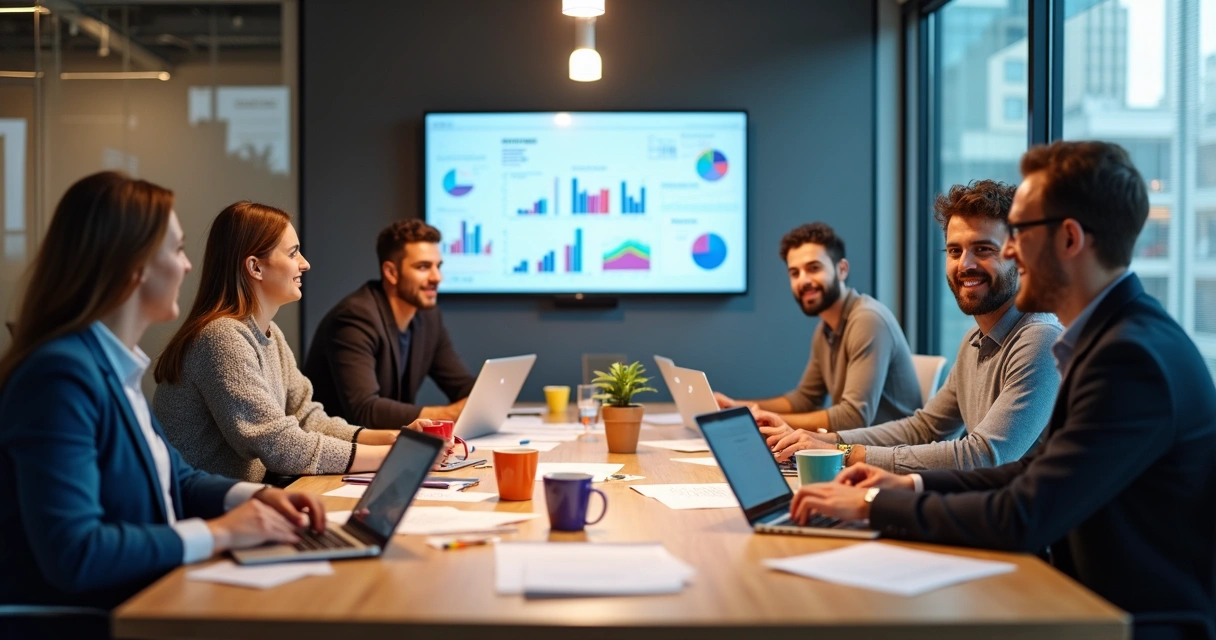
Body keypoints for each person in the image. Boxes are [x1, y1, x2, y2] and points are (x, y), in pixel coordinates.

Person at [792, 141, 1216, 637]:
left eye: (1018, 235)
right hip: (1083, 599)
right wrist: (907, 484)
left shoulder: (1128, 357)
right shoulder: (1112, 337)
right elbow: (1033, 470)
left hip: (1125, 622)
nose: (1011, 251)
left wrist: (872, 503)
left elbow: (1024, 513)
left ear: (1070, 239)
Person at [0, 173, 326, 618]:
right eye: (176, 249)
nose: (188, 265)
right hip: (103, 616)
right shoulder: (59, 377)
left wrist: (255, 499)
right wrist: (221, 534)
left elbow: (177, 478)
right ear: (133, 266)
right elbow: (75, 552)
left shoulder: (114, 365)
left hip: (151, 593)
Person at [761, 181, 1062, 473]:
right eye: (954, 251)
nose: (964, 265)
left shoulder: (1040, 339)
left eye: (983, 249)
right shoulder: (975, 340)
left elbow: (984, 455)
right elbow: (926, 427)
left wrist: (847, 453)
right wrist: (825, 441)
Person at [153, 202, 426, 484]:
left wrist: (396, 438)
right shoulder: (222, 338)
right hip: (204, 514)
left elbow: (307, 418)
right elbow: (280, 447)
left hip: (239, 506)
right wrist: (395, 456)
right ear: (255, 267)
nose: (305, 264)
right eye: (293, 253)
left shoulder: (271, 334)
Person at [715, 222, 921, 432]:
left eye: (813, 268)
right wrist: (739, 408)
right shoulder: (826, 328)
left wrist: (765, 419)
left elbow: (853, 418)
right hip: (857, 449)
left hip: (889, 457)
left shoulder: (868, 320)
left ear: (842, 270)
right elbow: (806, 399)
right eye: (794, 273)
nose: (803, 280)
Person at [303, 220, 475, 430]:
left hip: (387, 446)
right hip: (339, 451)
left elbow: (461, 385)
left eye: (438, 267)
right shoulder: (354, 318)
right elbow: (365, 410)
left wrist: (484, 398)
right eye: (423, 267)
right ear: (391, 272)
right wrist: (449, 414)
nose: (437, 277)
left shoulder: (428, 318)